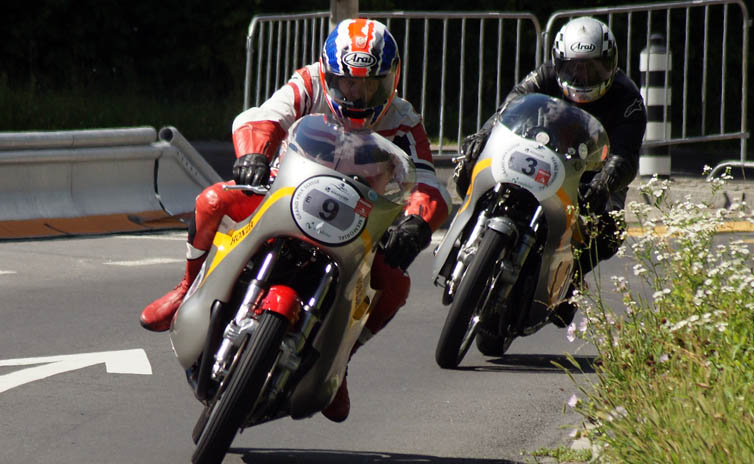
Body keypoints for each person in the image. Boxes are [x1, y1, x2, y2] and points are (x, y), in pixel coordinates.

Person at [140, 18, 451, 422]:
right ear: (329, 74)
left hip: (356, 221)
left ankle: (339, 362)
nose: (357, 94)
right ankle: (186, 288)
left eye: (370, 84)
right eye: (347, 82)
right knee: (211, 201)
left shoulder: (404, 119)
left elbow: (427, 181)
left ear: (391, 80)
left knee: (395, 284)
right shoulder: (308, 84)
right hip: (284, 191)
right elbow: (263, 117)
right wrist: (254, 154)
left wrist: (417, 223)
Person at [452, 16, 646, 327]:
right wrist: (483, 135)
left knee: (610, 230)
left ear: (611, 64)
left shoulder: (628, 99)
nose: (582, 76)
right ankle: (468, 231)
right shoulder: (544, 75)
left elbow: (626, 156)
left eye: (593, 68)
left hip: (592, 175)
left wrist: (604, 183)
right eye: (574, 67)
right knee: (470, 163)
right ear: (558, 62)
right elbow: (510, 105)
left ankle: (571, 279)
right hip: (539, 153)